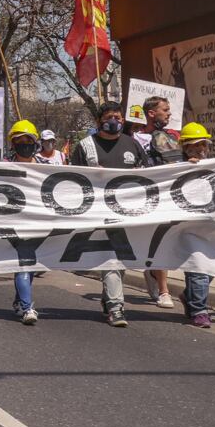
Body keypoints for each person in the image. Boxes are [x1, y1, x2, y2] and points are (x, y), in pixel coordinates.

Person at [68, 101, 149, 327]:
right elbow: (72, 178)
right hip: (97, 213)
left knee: (120, 259)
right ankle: (116, 307)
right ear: (99, 121)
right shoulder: (86, 146)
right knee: (111, 258)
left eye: (119, 118)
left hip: (128, 212)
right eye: (109, 118)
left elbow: (149, 174)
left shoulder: (132, 145)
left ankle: (108, 299)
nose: (115, 122)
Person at [135, 96, 181, 308]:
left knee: (162, 239)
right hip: (140, 197)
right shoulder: (134, 138)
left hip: (165, 197)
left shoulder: (172, 137)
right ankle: (152, 271)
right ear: (151, 113)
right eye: (165, 109)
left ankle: (164, 290)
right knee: (145, 242)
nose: (169, 114)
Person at [176, 122, 215, 328]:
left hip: (210, 228)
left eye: (204, 145)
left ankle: (189, 296)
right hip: (187, 227)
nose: (201, 149)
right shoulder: (175, 168)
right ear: (185, 148)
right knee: (197, 267)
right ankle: (200, 311)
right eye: (196, 145)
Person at [5, 120, 43, 325]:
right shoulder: (3, 168)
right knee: (24, 264)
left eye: (29, 140)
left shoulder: (47, 170)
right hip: (14, 225)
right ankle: (28, 308)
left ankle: (20, 302)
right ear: (13, 144)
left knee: (30, 266)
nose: (25, 144)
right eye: (20, 141)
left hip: (38, 225)